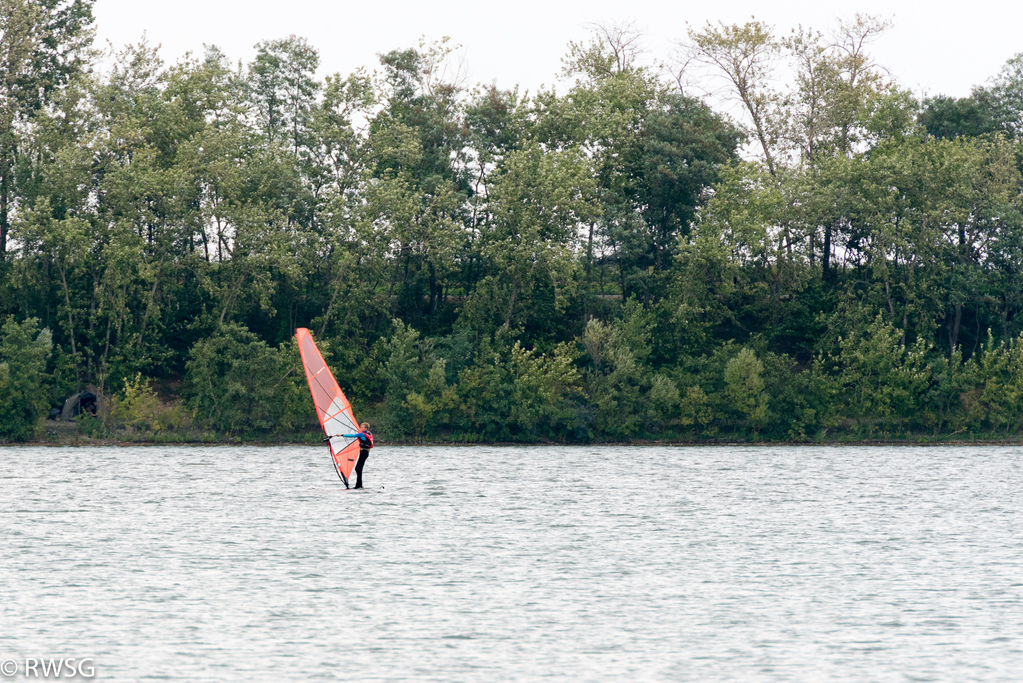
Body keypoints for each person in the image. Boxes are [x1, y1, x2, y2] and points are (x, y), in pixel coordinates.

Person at [341, 423, 374, 489]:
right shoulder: (368, 433)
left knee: (358, 468)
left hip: (364, 453)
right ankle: (359, 485)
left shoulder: (362, 434)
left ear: (366, 428)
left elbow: (353, 435)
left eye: (362, 427)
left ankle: (359, 485)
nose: (361, 428)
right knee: (358, 468)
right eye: (360, 427)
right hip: (365, 452)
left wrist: (342, 435)